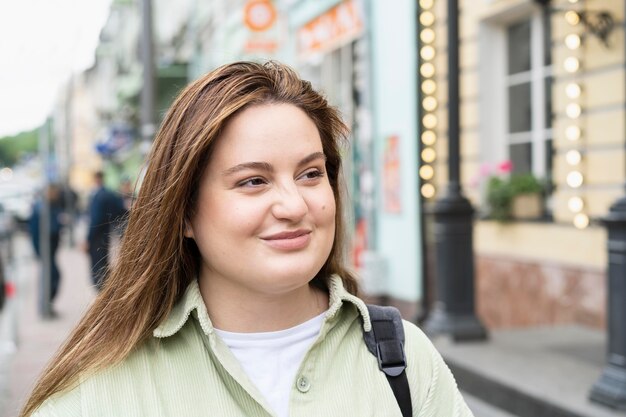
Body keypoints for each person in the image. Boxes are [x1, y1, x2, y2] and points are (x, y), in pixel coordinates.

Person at [21, 61, 474, 417]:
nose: (294, 205)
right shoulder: (99, 390)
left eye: (311, 174)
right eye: (253, 181)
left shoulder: (402, 356)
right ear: (184, 213)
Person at [84, 171, 126, 290]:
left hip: (97, 236)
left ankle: (102, 290)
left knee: (98, 266)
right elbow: (119, 212)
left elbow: (95, 220)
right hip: (105, 234)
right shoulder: (108, 194)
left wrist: (88, 239)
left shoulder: (99, 196)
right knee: (103, 262)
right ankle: (105, 289)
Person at [28, 184, 64, 316]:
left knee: (52, 277)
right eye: (55, 192)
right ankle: (45, 307)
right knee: (50, 277)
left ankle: (47, 306)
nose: (57, 195)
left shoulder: (51, 205)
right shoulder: (41, 207)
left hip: (50, 251)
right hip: (45, 252)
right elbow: (40, 231)